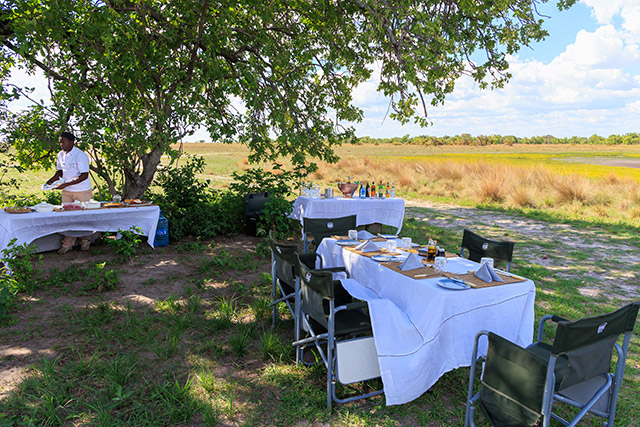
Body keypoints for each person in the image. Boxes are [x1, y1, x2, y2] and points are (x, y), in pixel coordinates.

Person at [45, 131, 93, 254]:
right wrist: (50, 182)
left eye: (64, 142)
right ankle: (67, 244)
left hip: (82, 191)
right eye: (60, 142)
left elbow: (84, 175)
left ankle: (85, 241)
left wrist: (65, 184)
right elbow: (60, 172)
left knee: (84, 217)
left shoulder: (80, 155)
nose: (61, 144)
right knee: (67, 217)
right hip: (67, 192)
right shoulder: (60, 155)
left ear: (72, 142)